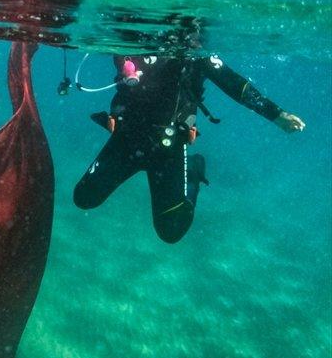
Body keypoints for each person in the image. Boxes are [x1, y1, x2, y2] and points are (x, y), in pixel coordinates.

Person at [73, 52, 304, 244]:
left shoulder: (195, 51)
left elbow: (232, 83)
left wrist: (276, 114)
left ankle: (192, 174)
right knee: (84, 197)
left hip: (168, 146)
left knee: (171, 230)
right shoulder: (134, 34)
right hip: (127, 138)